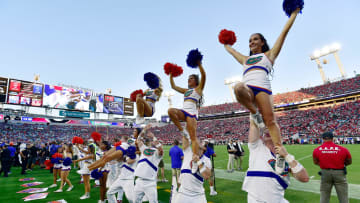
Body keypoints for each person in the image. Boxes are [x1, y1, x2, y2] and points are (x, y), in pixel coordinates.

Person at [223, 8, 301, 174]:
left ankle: (280, 155)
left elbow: (284, 33)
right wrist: (225, 41)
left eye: (255, 39)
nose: (251, 42)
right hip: (248, 90)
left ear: (262, 42)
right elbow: (230, 50)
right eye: (250, 40)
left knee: (271, 122)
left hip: (263, 89)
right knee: (237, 87)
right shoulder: (245, 59)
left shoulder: (269, 55)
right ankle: (253, 112)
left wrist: (294, 13)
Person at [242, 121, 309, 203]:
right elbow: (253, 124)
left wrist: (287, 156)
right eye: (266, 128)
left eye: (271, 129)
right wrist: (255, 115)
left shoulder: (287, 157)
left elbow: (304, 178)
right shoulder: (256, 147)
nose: (267, 129)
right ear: (261, 137)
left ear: (280, 136)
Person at [167, 60, 206, 172]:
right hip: (183, 111)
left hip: (192, 114)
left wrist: (199, 64)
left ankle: (194, 162)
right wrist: (171, 74)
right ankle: (182, 130)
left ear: (196, 81)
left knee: (193, 137)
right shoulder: (186, 91)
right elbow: (173, 86)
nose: (189, 80)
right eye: (188, 78)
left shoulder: (198, 89)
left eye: (191, 78)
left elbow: (203, 75)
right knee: (170, 111)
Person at [171, 128, 212, 203]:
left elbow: (206, 176)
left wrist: (199, 162)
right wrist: (187, 127)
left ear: (203, 148)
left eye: (199, 141)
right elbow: (185, 138)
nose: (195, 140)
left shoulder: (206, 160)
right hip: (183, 193)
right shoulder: (188, 151)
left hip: (198, 195)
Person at [313, 131, 352, 203]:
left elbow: (316, 162)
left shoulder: (317, 150)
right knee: (343, 196)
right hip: (339, 172)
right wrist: (340, 164)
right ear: (333, 138)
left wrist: (325, 165)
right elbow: (349, 161)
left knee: (324, 195)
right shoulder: (343, 149)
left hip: (325, 173)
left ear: (323, 139)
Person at [133, 125, 163, 203]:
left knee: (153, 201)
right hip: (139, 181)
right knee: (135, 201)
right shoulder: (144, 149)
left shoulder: (157, 153)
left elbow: (161, 150)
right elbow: (138, 140)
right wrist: (143, 130)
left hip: (150, 182)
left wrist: (153, 137)